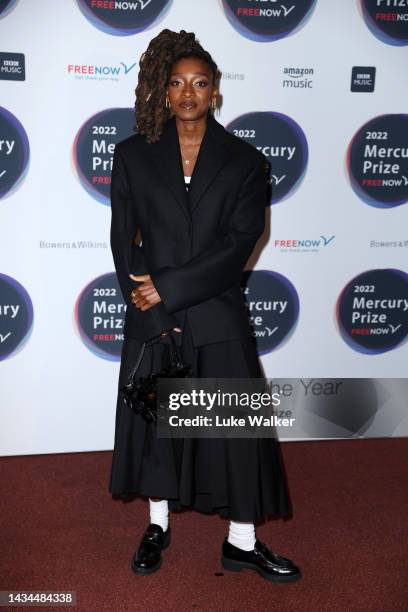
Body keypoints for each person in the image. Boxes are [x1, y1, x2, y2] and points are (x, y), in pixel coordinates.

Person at [109, 28, 300, 583]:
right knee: (155, 428)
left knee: (234, 433)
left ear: (216, 92)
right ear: (164, 92)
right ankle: (157, 523)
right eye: (177, 82)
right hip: (152, 313)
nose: (188, 93)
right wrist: (154, 304)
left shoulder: (245, 161)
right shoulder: (132, 155)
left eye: (200, 83)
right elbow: (123, 241)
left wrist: (169, 286)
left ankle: (242, 541)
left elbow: (240, 246)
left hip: (217, 313)